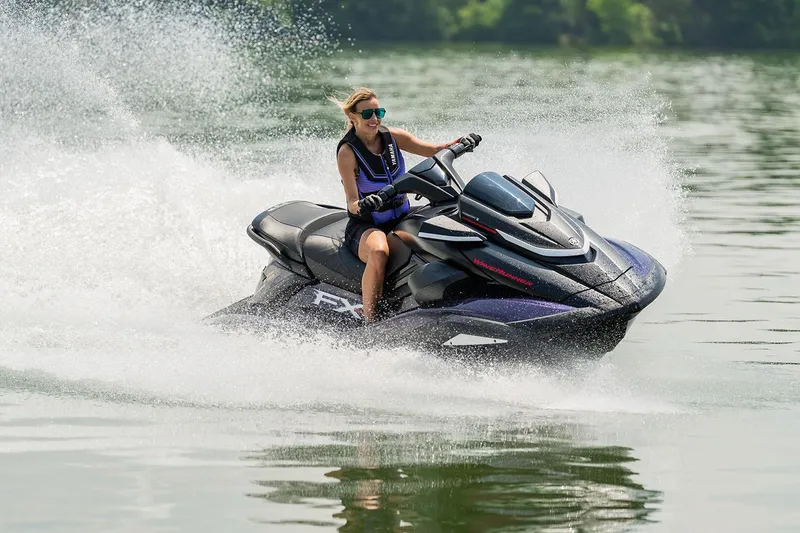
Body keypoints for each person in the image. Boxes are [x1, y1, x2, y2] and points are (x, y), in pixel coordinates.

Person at [329, 87, 477, 322]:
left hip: (401, 216)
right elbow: (351, 202)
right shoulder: (348, 152)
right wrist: (367, 203)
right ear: (353, 117)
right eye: (367, 114)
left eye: (379, 112)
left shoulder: (394, 137)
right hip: (367, 224)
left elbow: (435, 151)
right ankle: (371, 321)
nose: (375, 119)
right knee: (379, 251)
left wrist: (461, 143)